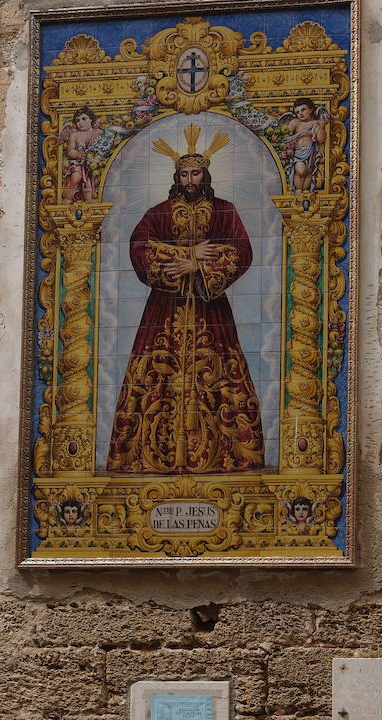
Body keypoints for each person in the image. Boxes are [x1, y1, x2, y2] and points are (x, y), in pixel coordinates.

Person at [106, 124, 265, 474]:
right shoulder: (160, 212)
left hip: (211, 309)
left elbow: (242, 250)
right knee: (155, 379)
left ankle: (225, 457)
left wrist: (195, 264)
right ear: (176, 176)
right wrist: (186, 254)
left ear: (205, 174)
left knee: (220, 375)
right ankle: (152, 457)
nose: (190, 180)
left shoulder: (224, 209)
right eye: (184, 174)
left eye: (195, 173)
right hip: (165, 311)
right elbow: (139, 248)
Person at [59, 106, 104, 204]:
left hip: (92, 163)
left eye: (84, 119)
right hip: (78, 162)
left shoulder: (98, 133)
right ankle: (68, 198)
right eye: (78, 120)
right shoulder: (74, 135)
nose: (81, 122)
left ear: (91, 119)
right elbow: (70, 151)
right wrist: (78, 154)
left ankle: (88, 199)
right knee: (75, 178)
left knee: (88, 181)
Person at [281, 98, 327, 192]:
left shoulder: (315, 123)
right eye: (297, 112)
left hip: (311, 151)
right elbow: (287, 135)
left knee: (309, 171)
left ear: (310, 110)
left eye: (303, 110)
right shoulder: (295, 123)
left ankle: (306, 190)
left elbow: (320, 140)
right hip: (298, 152)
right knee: (300, 170)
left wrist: (321, 127)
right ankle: (298, 189)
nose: (300, 113)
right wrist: (289, 148)